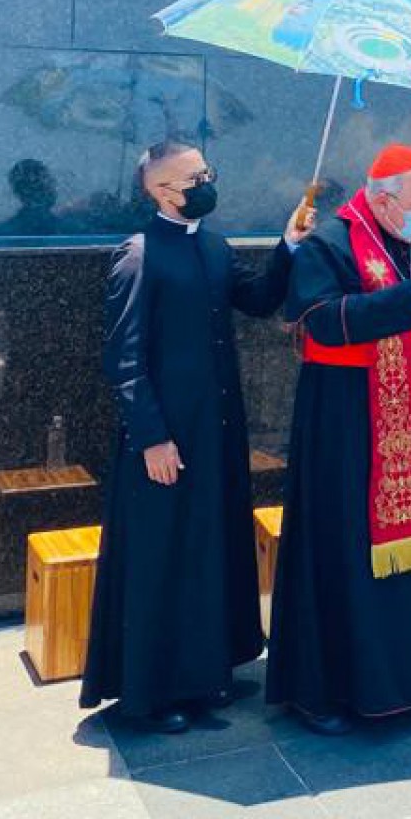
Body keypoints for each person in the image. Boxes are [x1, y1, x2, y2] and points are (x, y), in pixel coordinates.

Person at [80, 142, 306, 733]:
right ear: (160, 191)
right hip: (165, 441)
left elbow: (256, 300)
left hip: (216, 434)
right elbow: (123, 359)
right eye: (193, 177)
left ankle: (208, 676)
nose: (207, 182)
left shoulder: (210, 242)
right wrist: (151, 437)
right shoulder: (138, 256)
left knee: (208, 550)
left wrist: (288, 246)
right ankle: (158, 694)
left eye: (207, 171)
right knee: (166, 559)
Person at [265, 144, 411, 733]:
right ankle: (333, 692)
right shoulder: (330, 242)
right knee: (345, 552)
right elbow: (320, 320)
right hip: (349, 432)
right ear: (381, 199)